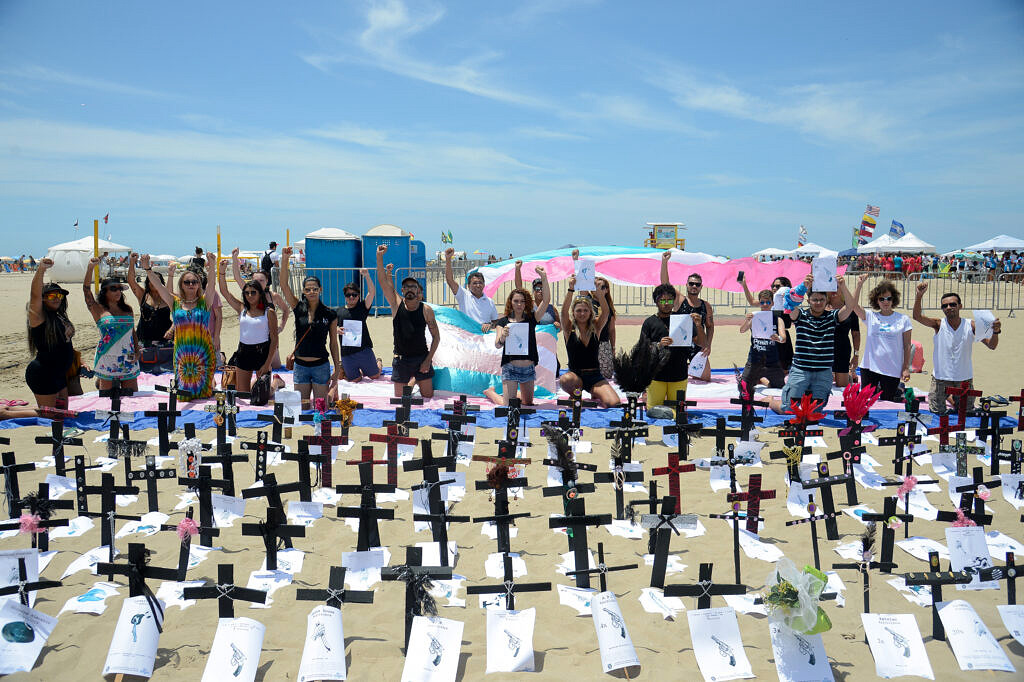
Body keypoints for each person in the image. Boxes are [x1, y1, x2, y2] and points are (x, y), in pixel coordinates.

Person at [769, 273, 864, 413]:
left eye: (821, 299)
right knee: (788, 409)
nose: (818, 302)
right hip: (801, 371)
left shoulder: (832, 317)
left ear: (826, 300)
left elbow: (850, 307)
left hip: (823, 372)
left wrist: (843, 286)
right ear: (808, 300)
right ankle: (771, 401)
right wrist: (804, 286)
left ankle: (805, 395)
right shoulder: (800, 315)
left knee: (816, 411)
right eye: (814, 299)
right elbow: (789, 302)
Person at [912, 283, 1001, 415]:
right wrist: (919, 296)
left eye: (953, 304)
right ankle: (950, 397)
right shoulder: (938, 324)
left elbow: (992, 345)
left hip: (964, 379)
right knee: (937, 413)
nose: (948, 307)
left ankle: (952, 399)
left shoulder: (971, 325)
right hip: (941, 378)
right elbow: (917, 317)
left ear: (960, 306)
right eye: (945, 306)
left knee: (966, 413)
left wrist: (996, 331)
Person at [141, 252, 217, 400]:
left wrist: (212, 265)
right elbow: (159, 286)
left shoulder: (204, 302)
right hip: (183, 357)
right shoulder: (174, 302)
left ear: (199, 284)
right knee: (184, 397)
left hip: (203, 355)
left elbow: (212, 284)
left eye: (194, 282)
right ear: (181, 285)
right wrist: (147, 269)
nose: (191, 285)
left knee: (204, 396)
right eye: (187, 282)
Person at [377, 244, 440, 398]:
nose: (410, 289)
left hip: (421, 358)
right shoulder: (397, 305)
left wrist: (427, 361)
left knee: (428, 396)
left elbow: (436, 338)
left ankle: (415, 380)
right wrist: (379, 257)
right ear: (403, 290)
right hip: (401, 359)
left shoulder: (426, 310)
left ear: (418, 291)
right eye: (406, 287)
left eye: (413, 286)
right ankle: (413, 380)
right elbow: (384, 284)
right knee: (400, 399)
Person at [280, 246, 341, 406]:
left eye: (315, 289)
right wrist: (285, 259)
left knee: (321, 407)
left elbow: (334, 343)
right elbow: (284, 286)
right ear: (304, 291)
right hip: (300, 366)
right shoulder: (298, 307)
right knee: (303, 408)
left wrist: (337, 367)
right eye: (308, 289)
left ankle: (331, 395)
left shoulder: (330, 314)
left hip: (321, 365)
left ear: (320, 289)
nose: (312, 291)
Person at [484, 265, 550, 406]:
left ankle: (511, 393)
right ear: (511, 302)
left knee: (528, 402)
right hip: (510, 367)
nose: (519, 304)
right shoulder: (503, 321)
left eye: (522, 301)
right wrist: (503, 337)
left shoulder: (532, 318)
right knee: (508, 406)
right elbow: (497, 344)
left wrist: (544, 277)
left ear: (526, 303)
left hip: (528, 368)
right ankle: (491, 392)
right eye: (516, 301)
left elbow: (546, 301)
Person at [641, 282, 706, 418]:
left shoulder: (683, 320)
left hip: (679, 375)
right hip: (656, 376)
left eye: (669, 299)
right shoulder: (649, 322)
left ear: (674, 300)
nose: (666, 303)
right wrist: (658, 345)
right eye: (662, 300)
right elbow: (642, 349)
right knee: (652, 412)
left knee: (678, 413)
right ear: (656, 301)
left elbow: (700, 343)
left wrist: (699, 326)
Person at [218, 258, 278, 392]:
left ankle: (276, 382)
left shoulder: (269, 312)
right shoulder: (242, 308)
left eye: (253, 292)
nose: (250, 295)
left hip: (262, 352)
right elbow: (224, 292)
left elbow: (274, 339)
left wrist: (267, 363)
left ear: (260, 293)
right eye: (247, 293)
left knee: (263, 395)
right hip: (244, 351)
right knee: (243, 394)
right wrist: (221, 272)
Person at [558, 275, 619, 407]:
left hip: (595, 376)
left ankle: (594, 392)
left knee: (613, 403)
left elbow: (606, 311)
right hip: (576, 377)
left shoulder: (596, 327)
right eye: (578, 310)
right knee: (565, 379)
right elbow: (563, 313)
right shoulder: (569, 329)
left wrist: (599, 292)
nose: (582, 313)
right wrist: (570, 289)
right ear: (573, 313)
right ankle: (575, 394)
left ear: (591, 312)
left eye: (585, 310)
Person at [848, 279, 913, 402]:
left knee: (887, 403)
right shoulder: (871, 316)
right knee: (866, 401)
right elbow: (853, 305)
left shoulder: (903, 319)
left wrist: (905, 368)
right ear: (876, 301)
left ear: (893, 299)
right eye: (881, 299)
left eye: (888, 298)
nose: (885, 302)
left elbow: (907, 345)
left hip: (892, 368)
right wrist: (859, 285)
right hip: (869, 367)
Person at [82, 258, 140, 391]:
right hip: (107, 358)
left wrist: (137, 352)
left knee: (131, 398)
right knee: (106, 401)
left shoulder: (127, 309)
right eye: (113, 288)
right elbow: (86, 291)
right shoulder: (98, 309)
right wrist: (90, 268)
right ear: (104, 292)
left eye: (120, 288)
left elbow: (133, 333)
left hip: (128, 358)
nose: (118, 291)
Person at [24, 259, 75, 408]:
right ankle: (4, 413)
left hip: (59, 374)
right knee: (49, 413)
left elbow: (65, 344)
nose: (57, 299)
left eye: (59, 296)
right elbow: (34, 295)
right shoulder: (38, 317)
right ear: (43, 299)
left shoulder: (59, 316)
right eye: (52, 296)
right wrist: (41, 270)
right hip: (43, 374)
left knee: (62, 413)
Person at [231, 248, 289, 368]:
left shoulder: (274, 296)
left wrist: (282, 326)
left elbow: (286, 310)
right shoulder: (249, 293)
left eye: (262, 280)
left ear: (267, 281)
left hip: (271, 340)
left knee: (276, 367)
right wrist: (234, 258)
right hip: (252, 341)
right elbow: (237, 278)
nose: (259, 283)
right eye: (255, 280)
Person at [660, 252, 713, 381]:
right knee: (670, 375)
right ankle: (683, 366)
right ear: (687, 285)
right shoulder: (679, 300)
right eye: (691, 283)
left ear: (701, 287)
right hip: (678, 344)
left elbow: (710, 327)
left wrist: (708, 345)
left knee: (706, 377)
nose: (694, 286)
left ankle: (687, 367)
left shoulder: (706, 305)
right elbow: (665, 284)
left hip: (697, 344)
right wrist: (664, 262)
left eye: (697, 284)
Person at [334, 268, 382, 384]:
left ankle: (378, 361)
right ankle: (347, 368)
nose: (351, 297)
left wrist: (367, 275)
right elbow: (330, 327)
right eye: (348, 295)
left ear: (359, 296)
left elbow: (371, 292)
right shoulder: (338, 311)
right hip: (347, 352)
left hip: (363, 350)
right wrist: (336, 329)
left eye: (354, 295)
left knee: (375, 376)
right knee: (355, 380)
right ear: (345, 296)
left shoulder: (362, 307)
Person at [741, 273, 794, 370]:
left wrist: (788, 298)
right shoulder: (768, 300)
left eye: (777, 286)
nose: (774, 288)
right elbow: (752, 302)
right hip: (766, 337)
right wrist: (744, 285)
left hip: (781, 335)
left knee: (784, 368)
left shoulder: (788, 298)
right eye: (773, 286)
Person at [738, 289, 786, 390]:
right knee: (743, 388)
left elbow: (783, 339)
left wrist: (778, 338)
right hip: (754, 360)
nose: (765, 305)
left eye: (768, 302)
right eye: (762, 302)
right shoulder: (754, 316)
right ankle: (758, 378)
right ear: (759, 303)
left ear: (772, 303)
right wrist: (747, 320)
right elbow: (742, 330)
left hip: (772, 362)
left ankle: (762, 380)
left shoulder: (777, 318)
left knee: (779, 387)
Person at [444, 247, 497, 331]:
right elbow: (450, 280)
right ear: (468, 285)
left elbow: (495, 322)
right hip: (467, 336)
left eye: (480, 283)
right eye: (474, 283)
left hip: (484, 338)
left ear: (484, 284)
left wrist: (489, 325)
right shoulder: (463, 296)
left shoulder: (490, 302)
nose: (478, 285)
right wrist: (448, 259)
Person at [126, 253, 172, 348]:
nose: (153, 283)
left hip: (165, 340)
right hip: (144, 339)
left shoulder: (167, 296)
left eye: (156, 280)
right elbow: (131, 281)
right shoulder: (143, 295)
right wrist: (131, 262)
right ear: (147, 282)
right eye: (151, 280)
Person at [828, 288, 860, 387]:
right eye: (831, 287)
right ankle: (850, 375)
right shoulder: (820, 307)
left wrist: (856, 355)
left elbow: (856, 334)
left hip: (842, 350)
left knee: (842, 385)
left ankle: (850, 375)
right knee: (823, 384)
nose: (833, 290)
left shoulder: (850, 309)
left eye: (837, 287)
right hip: (823, 350)